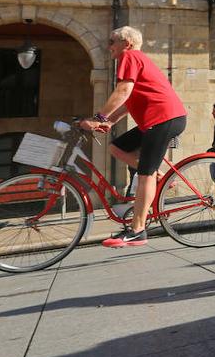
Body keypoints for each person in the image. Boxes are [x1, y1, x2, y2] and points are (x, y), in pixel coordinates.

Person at [78, 25, 187, 248]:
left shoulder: (129, 56)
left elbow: (123, 92)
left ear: (126, 43)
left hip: (164, 119)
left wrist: (99, 117)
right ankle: (156, 174)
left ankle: (138, 230)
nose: (108, 46)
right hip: (160, 120)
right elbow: (130, 100)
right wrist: (110, 121)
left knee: (144, 176)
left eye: (112, 41)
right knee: (116, 148)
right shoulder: (137, 59)